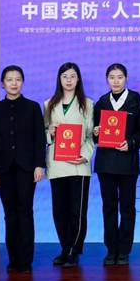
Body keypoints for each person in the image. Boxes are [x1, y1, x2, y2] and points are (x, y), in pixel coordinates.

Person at [0, 65, 46, 273]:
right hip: (3, 169)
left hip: (27, 168)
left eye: (18, 79)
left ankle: (25, 260)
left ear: (22, 82)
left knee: (25, 211)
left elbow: (39, 138)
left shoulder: (32, 107)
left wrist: (40, 165)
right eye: (9, 79)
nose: (14, 83)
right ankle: (13, 258)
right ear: (3, 84)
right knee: (10, 214)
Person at [92, 63, 140, 266]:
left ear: (126, 78)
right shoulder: (101, 103)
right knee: (109, 207)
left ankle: (124, 250)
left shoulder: (135, 101)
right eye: (112, 77)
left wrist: (130, 143)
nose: (116, 81)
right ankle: (111, 249)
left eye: (120, 77)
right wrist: (96, 132)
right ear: (107, 79)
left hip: (127, 162)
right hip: (106, 163)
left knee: (127, 207)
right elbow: (95, 134)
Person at [44, 62, 95, 268]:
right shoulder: (49, 104)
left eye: (73, 76)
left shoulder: (87, 104)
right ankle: (64, 248)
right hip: (57, 164)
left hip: (78, 164)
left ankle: (74, 249)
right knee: (59, 211)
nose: (69, 80)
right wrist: (50, 133)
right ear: (59, 79)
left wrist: (85, 155)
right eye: (65, 76)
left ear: (78, 79)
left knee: (77, 211)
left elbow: (91, 136)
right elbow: (43, 132)